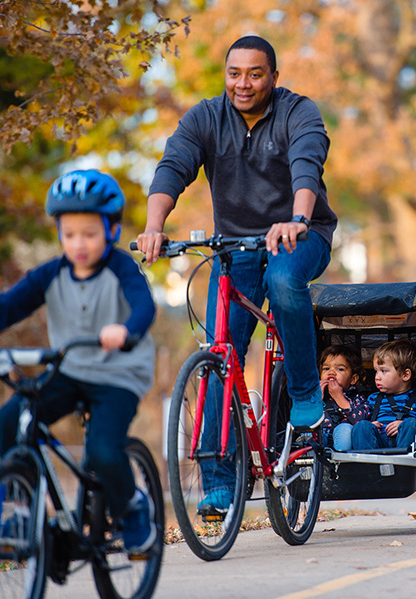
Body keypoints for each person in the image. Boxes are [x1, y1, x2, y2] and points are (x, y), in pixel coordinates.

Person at [136, 35, 337, 513]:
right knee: (219, 353)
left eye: (254, 73)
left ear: (273, 77)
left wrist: (299, 218)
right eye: (234, 73)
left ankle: (307, 391)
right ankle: (219, 481)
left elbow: (307, 164)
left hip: (300, 235)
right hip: (236, 246)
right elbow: (173, 168)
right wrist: (153, 228)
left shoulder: (298, 112)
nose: (242, 83)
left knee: (285, 282)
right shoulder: (204, 118)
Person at [0, 170, 158, 554]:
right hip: (69, 371)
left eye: (89, 233)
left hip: (118, 376)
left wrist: (125, 330)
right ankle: (22, 510)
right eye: (69, 234)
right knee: (10, 420)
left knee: (106, 451)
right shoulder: (52, 274)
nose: (79, 244)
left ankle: (134, 508)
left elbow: (144, 305)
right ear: (59, 234)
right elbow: (8, 304)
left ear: (112, 231)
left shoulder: (122, 268)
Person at [351, 339, 416, 451]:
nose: (377, 377)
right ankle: (366, 464)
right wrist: (371, 424)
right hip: (377, 444)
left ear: (405, 375)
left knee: (413, 423)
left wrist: (402, 425)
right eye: (376, 371)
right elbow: (363, 420)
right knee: (361, 426)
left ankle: (403, 464)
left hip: (404, 443)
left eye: (383, 371)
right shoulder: (373, 398)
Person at [319, 344, 370, 451]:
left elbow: (360, 421)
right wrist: (317, 399)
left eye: (340, 369)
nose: (331, 372)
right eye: (326, 368)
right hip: (320, 439)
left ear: (353, 379)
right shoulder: (317, 396)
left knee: (345, 429)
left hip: (342, 442)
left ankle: (341, 464)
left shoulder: (357, 397)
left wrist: (340, 398)